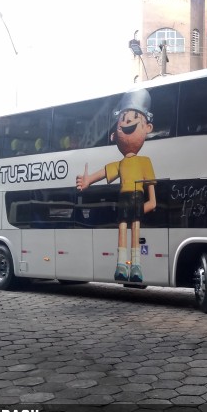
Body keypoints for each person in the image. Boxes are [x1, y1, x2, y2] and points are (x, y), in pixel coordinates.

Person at [76, 88, 157, 284]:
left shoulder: (145, 161)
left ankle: (135, 266)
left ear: (148, 127)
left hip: (136, 199)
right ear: (114, 135)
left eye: (134, 118)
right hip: (124, 199)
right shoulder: (120, 164)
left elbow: (153, 200)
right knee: (123, 229)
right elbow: (104, 172)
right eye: (123, 119)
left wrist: (144, 208)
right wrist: (88, 181)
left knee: (134, 229)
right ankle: (122, 266)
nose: (127, 122)